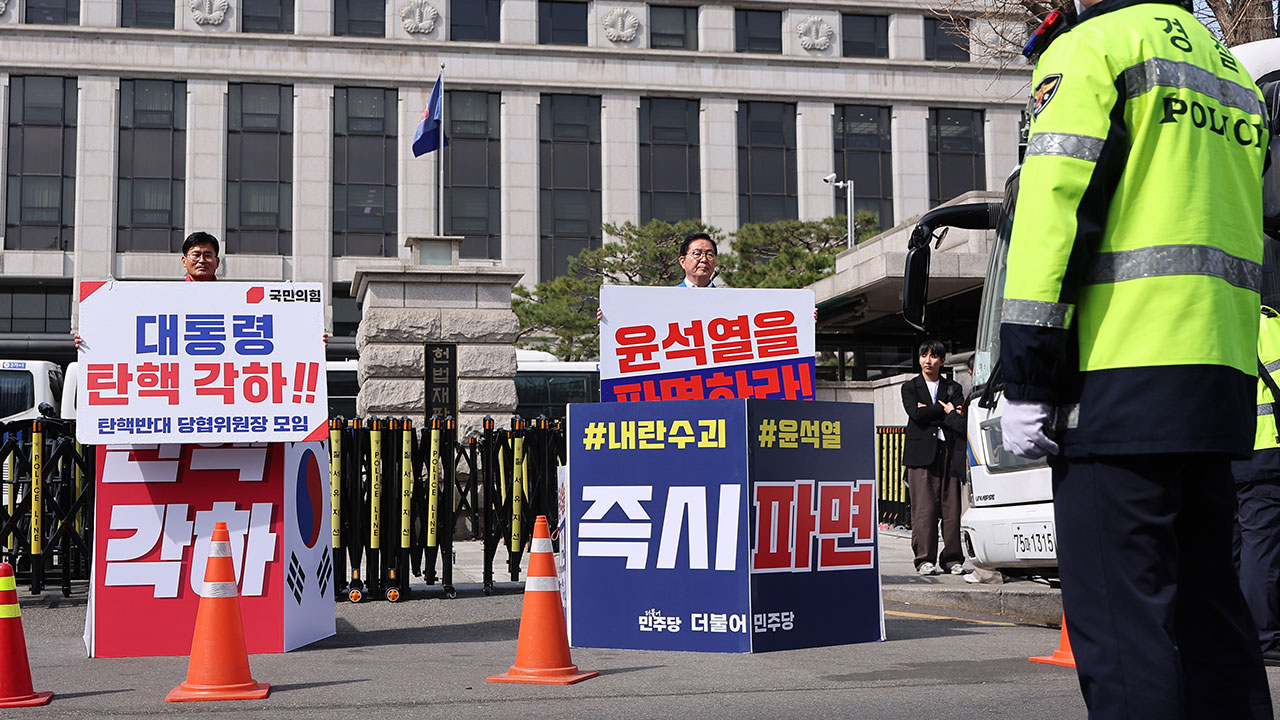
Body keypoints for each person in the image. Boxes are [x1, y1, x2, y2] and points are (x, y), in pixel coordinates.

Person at [999, 0, 1273, 716]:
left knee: (1125, 632)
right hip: (1215, 380)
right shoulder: (1228, 72)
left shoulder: (1093, 48)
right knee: (1213, 618)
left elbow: (1055, 209)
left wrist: (1026, 372)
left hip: (1117, 378)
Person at [1234, 307, 1280, 666]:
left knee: (1236, 546)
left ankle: (1236, 632)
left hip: (1224, 451)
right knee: (1262, 545)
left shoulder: (1218, 322)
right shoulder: (1268, 323)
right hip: (1266, 450)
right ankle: (1264, 637)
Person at [900, 340, 965, 576]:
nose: (928, 360)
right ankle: (924, 559)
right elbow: (916, 415)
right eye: (924, 356)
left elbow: (957, 420)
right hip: (920, 455)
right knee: (924, 509)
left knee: (951, 507)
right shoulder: (910, 387)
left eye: (934, 356)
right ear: (918, 359)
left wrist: (930, 410)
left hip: (949, 452)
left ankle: (952, 559)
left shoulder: (953, 388)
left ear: (943, 361)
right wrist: (944, 409)